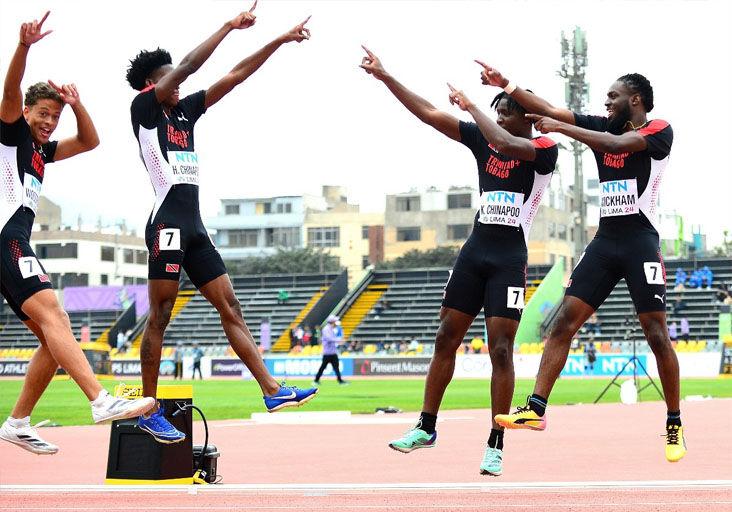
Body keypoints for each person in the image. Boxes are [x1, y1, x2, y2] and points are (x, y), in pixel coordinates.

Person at [361, 48, 557, 477]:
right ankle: (426, 426)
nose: (501, 119)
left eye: (508, 112)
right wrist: (386, 76)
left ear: (527, 116)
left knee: (501, 349)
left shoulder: (544, 149)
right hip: (475, 253)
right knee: (445, 336)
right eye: (498, 113)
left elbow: (506, 141)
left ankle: (496, 442)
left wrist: (473, 107)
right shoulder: (484, 139)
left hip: (509, 258)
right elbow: (430, 114)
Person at [126, 3, 317, 444]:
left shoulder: (185, 113)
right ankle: (147, 410)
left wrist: (279, 41)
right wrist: (229, 26)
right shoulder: (144, 109)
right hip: (167, 223)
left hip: (194, 227)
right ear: (153, 84)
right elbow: (192, 65)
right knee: (160, 314)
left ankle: (271, 390)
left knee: (231, 306)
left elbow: (234, 75)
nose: (183, 84)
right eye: (173, 79)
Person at [482, 64, 686, 462]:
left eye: (613, 96)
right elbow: (550, 109)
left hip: (640, 242)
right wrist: (507, 84)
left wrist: (562, 129)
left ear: (636, 99)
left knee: (656, 334)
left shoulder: (658, 130)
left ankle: (674, 422)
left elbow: (613, 146)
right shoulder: (604, 126)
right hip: (605, 242)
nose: (606, 102)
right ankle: (536, 408)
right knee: (562, 323)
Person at [0, 12, 154, 455]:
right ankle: (99, 400)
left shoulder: (42, 152)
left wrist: (76, 104)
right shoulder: (12, 134)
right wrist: (24, 47)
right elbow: (10, 91)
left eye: (55, 116)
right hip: (7, 242)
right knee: (57, 317)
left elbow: (89, 142)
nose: (49, 122)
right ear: (27, 112)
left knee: (53, 337)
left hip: (15, 242)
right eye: (43, 114)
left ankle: (17, 421)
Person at [313, 316, 348, 385]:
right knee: (323, 367)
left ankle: (340, 380)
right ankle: (316, 380)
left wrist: (339, 340)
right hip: (327, 353)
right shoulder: (326, 329)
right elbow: (329, 338)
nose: (336, 323)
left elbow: (332, 338)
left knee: (335, 367)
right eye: (335, 321)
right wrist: (339, 340)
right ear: (332, 321)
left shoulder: (330, 329)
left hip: (332, 352)